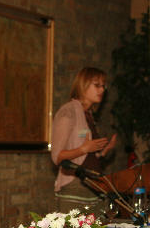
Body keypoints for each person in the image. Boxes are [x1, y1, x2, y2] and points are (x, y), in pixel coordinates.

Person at [50, 67, 117, 212]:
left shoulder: (88, 115)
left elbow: (87, 157)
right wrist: (84, 149)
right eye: (97, 85)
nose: (102, 90)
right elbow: (57, 157)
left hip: (93, 185)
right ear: (83, 85)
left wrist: (103, 152)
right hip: (75, 186)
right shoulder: (68, 112)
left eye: (103, 86)